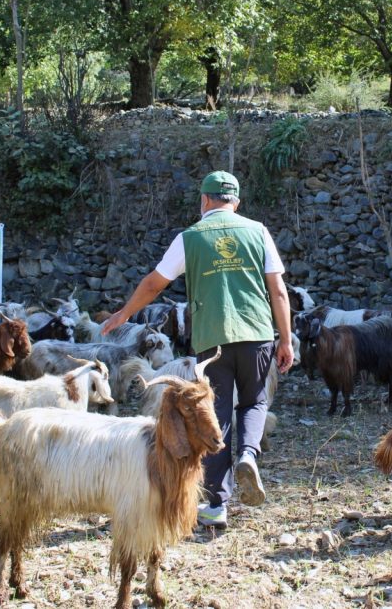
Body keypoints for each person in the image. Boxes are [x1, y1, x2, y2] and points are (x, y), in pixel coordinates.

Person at [101, 171, 294, 529]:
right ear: (236, 202)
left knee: (216, 413)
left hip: (211, 338)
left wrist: (124, 314)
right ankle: (249, 455)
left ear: (204, 201)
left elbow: (154, 283)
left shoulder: (189, 237)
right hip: (256, 333)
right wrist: (285, 339)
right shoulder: (258, 231)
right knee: (253, 401)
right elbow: (278, 291)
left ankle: (216, 504)